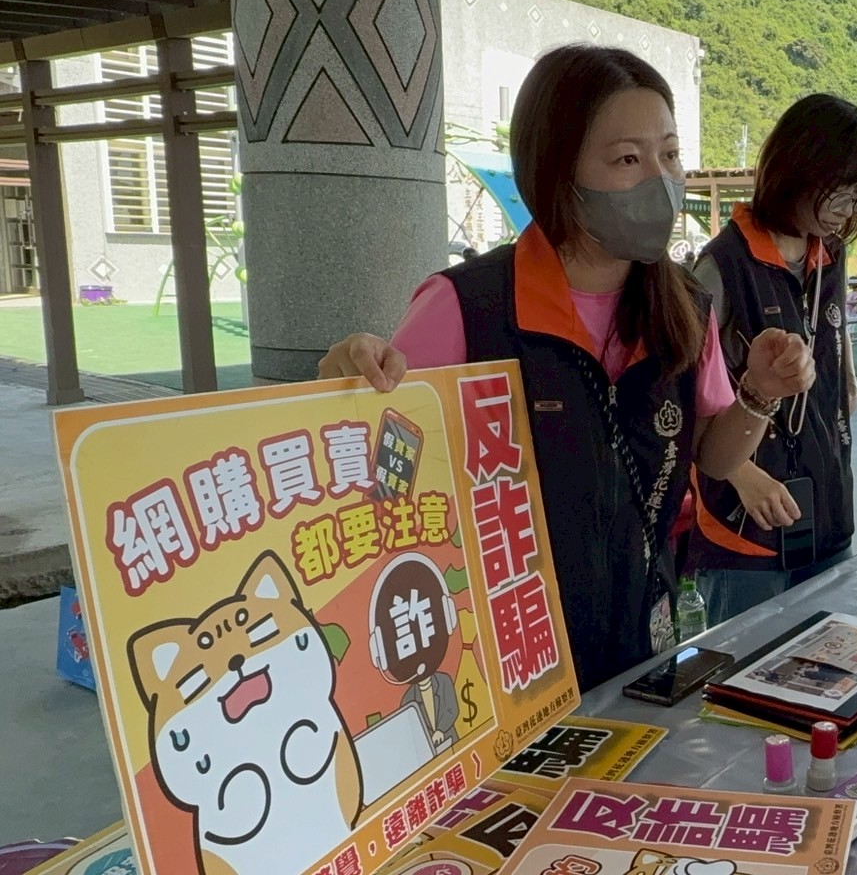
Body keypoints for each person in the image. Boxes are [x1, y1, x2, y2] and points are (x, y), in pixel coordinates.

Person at [317, 45, 816, 689]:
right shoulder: (469, 306)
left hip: (643, 643)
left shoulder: (686, 306)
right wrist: (344, 391)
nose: (661, 181)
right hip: (507, 660)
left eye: (668, 155)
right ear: (558, 170)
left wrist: (759, 393)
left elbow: (712, 458)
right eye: (628, 159)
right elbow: (379, 468)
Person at [687, 94, 857, 624]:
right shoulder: (721, 268)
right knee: (746, 668)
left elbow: (840, 369)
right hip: (746, 529)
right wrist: (740, 474)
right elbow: (680, 406)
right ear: (797, 169)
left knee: (827, 663)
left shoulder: (829, 256)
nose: (850, 211)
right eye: (842, 192)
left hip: (828, 514)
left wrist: (844, 387)